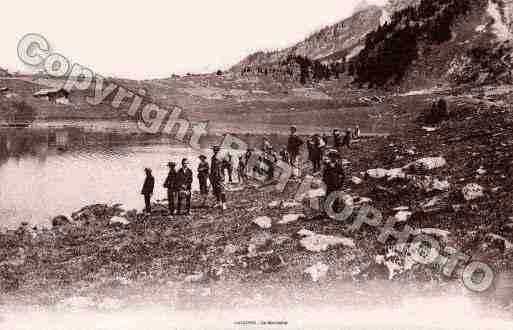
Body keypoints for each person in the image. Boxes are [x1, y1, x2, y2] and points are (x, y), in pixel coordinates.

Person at [210, 145, 227, 210]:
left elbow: (227, 164)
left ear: (218, 150)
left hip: (220, 176)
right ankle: (218, 202)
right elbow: (212, 167)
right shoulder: (213, 157)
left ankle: (224, 204)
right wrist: (211, 175)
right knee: (216, 190)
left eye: (216, 150)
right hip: (214, 176)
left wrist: (221, 166)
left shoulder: (222, 157)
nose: (215, 151)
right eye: (214, 150)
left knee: (222, 190)